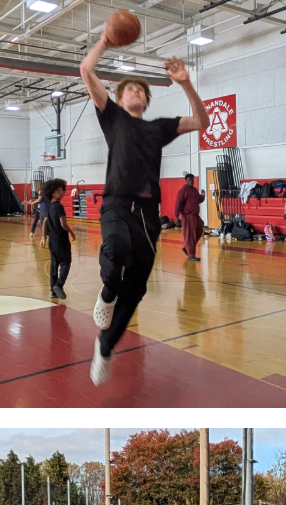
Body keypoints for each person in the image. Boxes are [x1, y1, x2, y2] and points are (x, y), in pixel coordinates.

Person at [79, 34, 210, 388]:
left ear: (147, 100)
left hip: (149, 215)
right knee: (117, 249)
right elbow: (86, 70)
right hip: (117, 204)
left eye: (141, 91)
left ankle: (104, 348)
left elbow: (202, 122)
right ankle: (107, 291)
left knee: (135, 291)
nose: (136, 93)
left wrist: (185, 83)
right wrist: (106, 40)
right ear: (120, 99)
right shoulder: (113, 118)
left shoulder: (158, 128)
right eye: (130, 90)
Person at [39, 178, 75, 299]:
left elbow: (44, 222)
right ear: (52, 192)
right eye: (59, 191)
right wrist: (71, 232)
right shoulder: (59, 207)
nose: (62, 193)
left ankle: (53, 290)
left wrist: (43, 237)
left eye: (62, 190)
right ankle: (59, 285)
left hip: (52, 241)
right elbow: (63, 224)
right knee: (66, 263)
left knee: (54, 264)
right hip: (61, 240)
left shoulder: (49, 208)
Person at [174, 173, 206, 261]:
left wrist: (203, 195)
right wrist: (176, 216)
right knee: (190, 235)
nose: (191, 181)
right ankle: (191, 254)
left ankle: (188, 248)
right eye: (189, 180)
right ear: (186, 180)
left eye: (192, 179)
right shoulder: (183, 191)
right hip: (187, 216)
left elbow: (199, 199)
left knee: (200, 227)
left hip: (195, 216)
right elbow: (178, 204)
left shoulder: (195, 190)